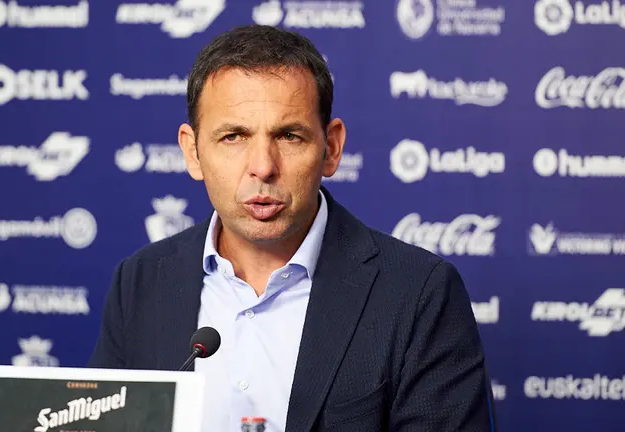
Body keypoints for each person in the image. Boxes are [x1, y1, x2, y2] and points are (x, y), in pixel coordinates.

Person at [88, 24, 496, 432]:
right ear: (192, 153)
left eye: (288, 136)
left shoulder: (420, 293)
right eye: (233, 137)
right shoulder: (140, 281)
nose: (263, 166)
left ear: (331, 148)